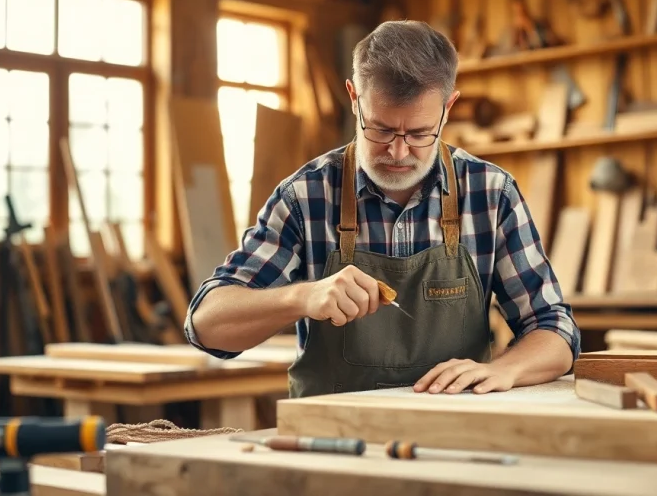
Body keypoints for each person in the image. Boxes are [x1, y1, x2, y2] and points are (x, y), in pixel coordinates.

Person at [185, 20, 580, 398]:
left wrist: (504, 369)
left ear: (449, 106)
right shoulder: (306, 196)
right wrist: (301, 298)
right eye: (381, 129)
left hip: (455, 434)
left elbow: (555, 329)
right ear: (354, 97)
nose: (398, 151)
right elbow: (205, 325)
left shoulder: (491, 194)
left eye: (420, 133)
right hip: (331, 441)